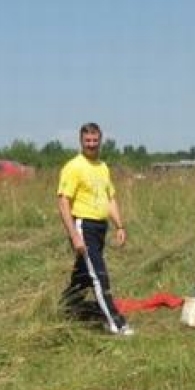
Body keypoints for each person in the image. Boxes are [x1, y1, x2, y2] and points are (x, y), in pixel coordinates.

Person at [57, 122, 132, 336]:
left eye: (95, 141)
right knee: (99, 275)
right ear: (81, 141)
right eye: (87, 141)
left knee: (82, 275)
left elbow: (110, 198)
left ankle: (66, 308)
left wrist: (120, 226)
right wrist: (74, 235)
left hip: (100, 227)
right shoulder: (73, 167)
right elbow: (63, 202)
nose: (91, 144)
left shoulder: (102, 166)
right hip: (84, 226)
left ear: (100, 141)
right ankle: (117, 324)